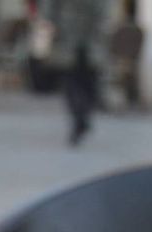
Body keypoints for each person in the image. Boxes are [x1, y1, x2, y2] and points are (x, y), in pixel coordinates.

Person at [45, 0, 108, 146]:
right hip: (70, 40)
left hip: (88, 41)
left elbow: (103, 11)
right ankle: (80, 119)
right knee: (72, 84)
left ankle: (82, 117)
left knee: (86, 84)